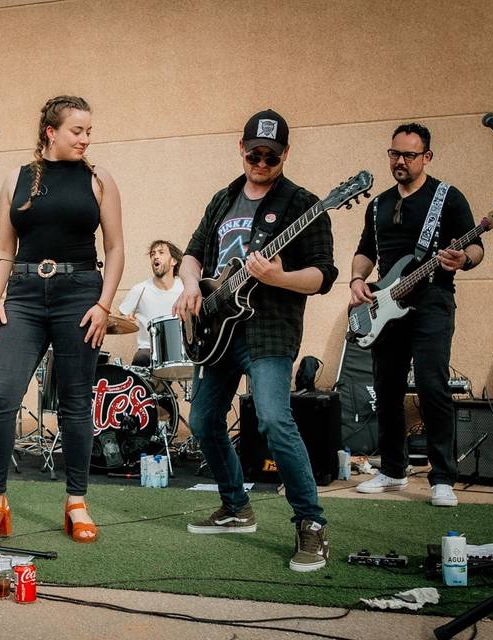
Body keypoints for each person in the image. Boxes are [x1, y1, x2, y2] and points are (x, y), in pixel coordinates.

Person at [174, 109, 338, 572]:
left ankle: (311, 523)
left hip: (268, 330)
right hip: (218, 329)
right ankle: (235, 507)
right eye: (254, 153)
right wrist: (190, 286)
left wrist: (280, 276)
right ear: (241, 148)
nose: (260, 162)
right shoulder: (223, 199)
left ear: (285, 154)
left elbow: (322, 277)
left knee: (272, 419)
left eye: (270, 155)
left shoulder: (303, 205)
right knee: (203, 420)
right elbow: (191, 255)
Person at [0, 95, 124, 543]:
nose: (86, 138)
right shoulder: (16, 179)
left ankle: (76, 503)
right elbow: (5, 248)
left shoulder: (99, 180)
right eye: (76, 131)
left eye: (88, 131)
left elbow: (116, 249)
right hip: (23, 296)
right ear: (51, 132)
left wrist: (103, 304)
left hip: (79, 295)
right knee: (2, 396)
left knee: (76, 403)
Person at [352, 123, 482, 507]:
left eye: (409, 155)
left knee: (432, 386)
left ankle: (443, 478)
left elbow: (475, 248)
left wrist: (462, 260)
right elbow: (365, 250)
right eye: (394, 154)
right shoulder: (378, 204)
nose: (400, 161)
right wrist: (358, 279)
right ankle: (392, 470)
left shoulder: (447, 197)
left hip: (433, 301)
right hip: (385, 305)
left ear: (426, 156)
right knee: (387, 389)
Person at [118, 240, 184, 367]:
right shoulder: (140, 289)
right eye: (152, 254)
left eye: (161, 252)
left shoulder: (184, 288)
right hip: (149, 350)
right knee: (141, 358)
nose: (155, 256)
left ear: (173, 261)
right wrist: (126, 320)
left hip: (179, 348)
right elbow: (118, 318)